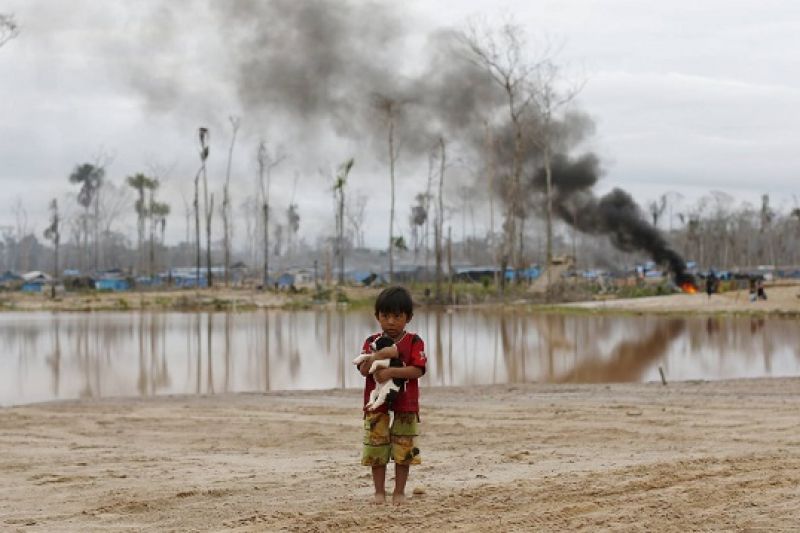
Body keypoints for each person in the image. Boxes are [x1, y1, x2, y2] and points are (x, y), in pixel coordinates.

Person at [357, 286, 427, 505]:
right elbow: (363, 370)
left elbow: (418, 370)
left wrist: (391, 372)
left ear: (408, 318)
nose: (391, 322)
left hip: (406, 403)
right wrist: (376, 356)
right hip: (376, 404)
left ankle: (399, 491)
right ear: (377, 316)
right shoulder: (372, 341)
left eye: (397, 317)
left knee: (403, 447)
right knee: (376, 446)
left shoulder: (414, 341)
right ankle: (379, 492)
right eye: (385, 316)